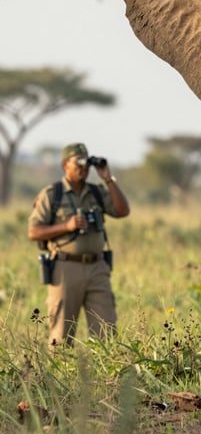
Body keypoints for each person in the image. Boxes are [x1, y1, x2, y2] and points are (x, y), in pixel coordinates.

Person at [28, 143, 130, 346]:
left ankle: (107, 377)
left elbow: (122, 211)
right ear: (65, 164)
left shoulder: (97, 192)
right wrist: (67, 225)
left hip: (97, 267)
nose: (84, 167)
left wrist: (108, 178)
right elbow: (34, 231)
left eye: (87, 162)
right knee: (61, 335)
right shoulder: (52, 194)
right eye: (79, 162)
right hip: (66, 268)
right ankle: (59, 376)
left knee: (106, 334)